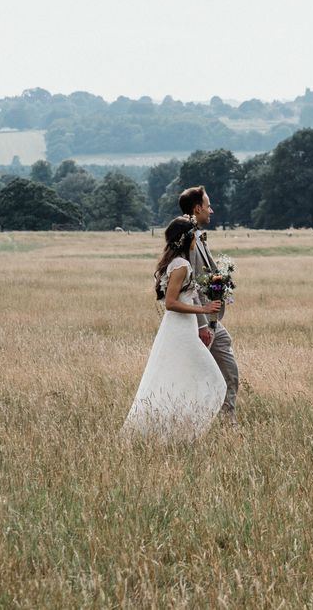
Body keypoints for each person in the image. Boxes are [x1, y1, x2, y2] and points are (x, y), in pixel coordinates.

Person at [123, 215, 226, 439]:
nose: (197, 240)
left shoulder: (178, 263)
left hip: (183, 327)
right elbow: (171, 303)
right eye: (194, 236)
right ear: (188, 238)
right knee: (212, 377)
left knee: (180, 375)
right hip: (180, 329)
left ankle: (178, 428)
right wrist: (204, 311)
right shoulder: (181, 265)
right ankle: (184, 430)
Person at [179, 186, 240, 425]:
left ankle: (221, 418)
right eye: (208, 206)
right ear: (197, 208)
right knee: (226, 372)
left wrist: (221, 281)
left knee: (224, 364)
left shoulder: (198, 237)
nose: (211, 211)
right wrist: (203, 324)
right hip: (201, 320)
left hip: (210, 318)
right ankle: (225, 423)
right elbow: (190, 285)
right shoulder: (190, 241)